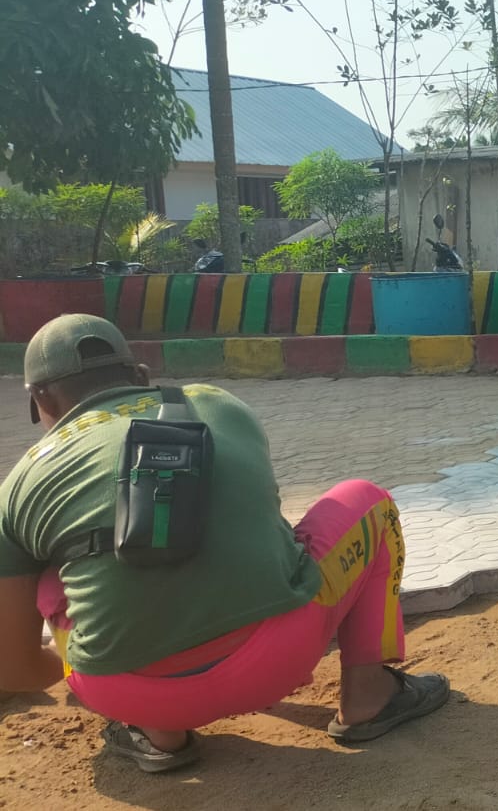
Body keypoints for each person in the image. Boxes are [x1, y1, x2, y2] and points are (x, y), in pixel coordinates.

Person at [0, 315, 448, 774]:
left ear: (39, 400)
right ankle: (368, 695)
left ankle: (158, 733)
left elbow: (14, 671)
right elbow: (261, 526)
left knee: (50, 570)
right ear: (140, 377)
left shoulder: (18, 487)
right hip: (279, 663)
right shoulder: (216, 404)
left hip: (123, 690)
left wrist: (75, 661)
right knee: (368, 500)